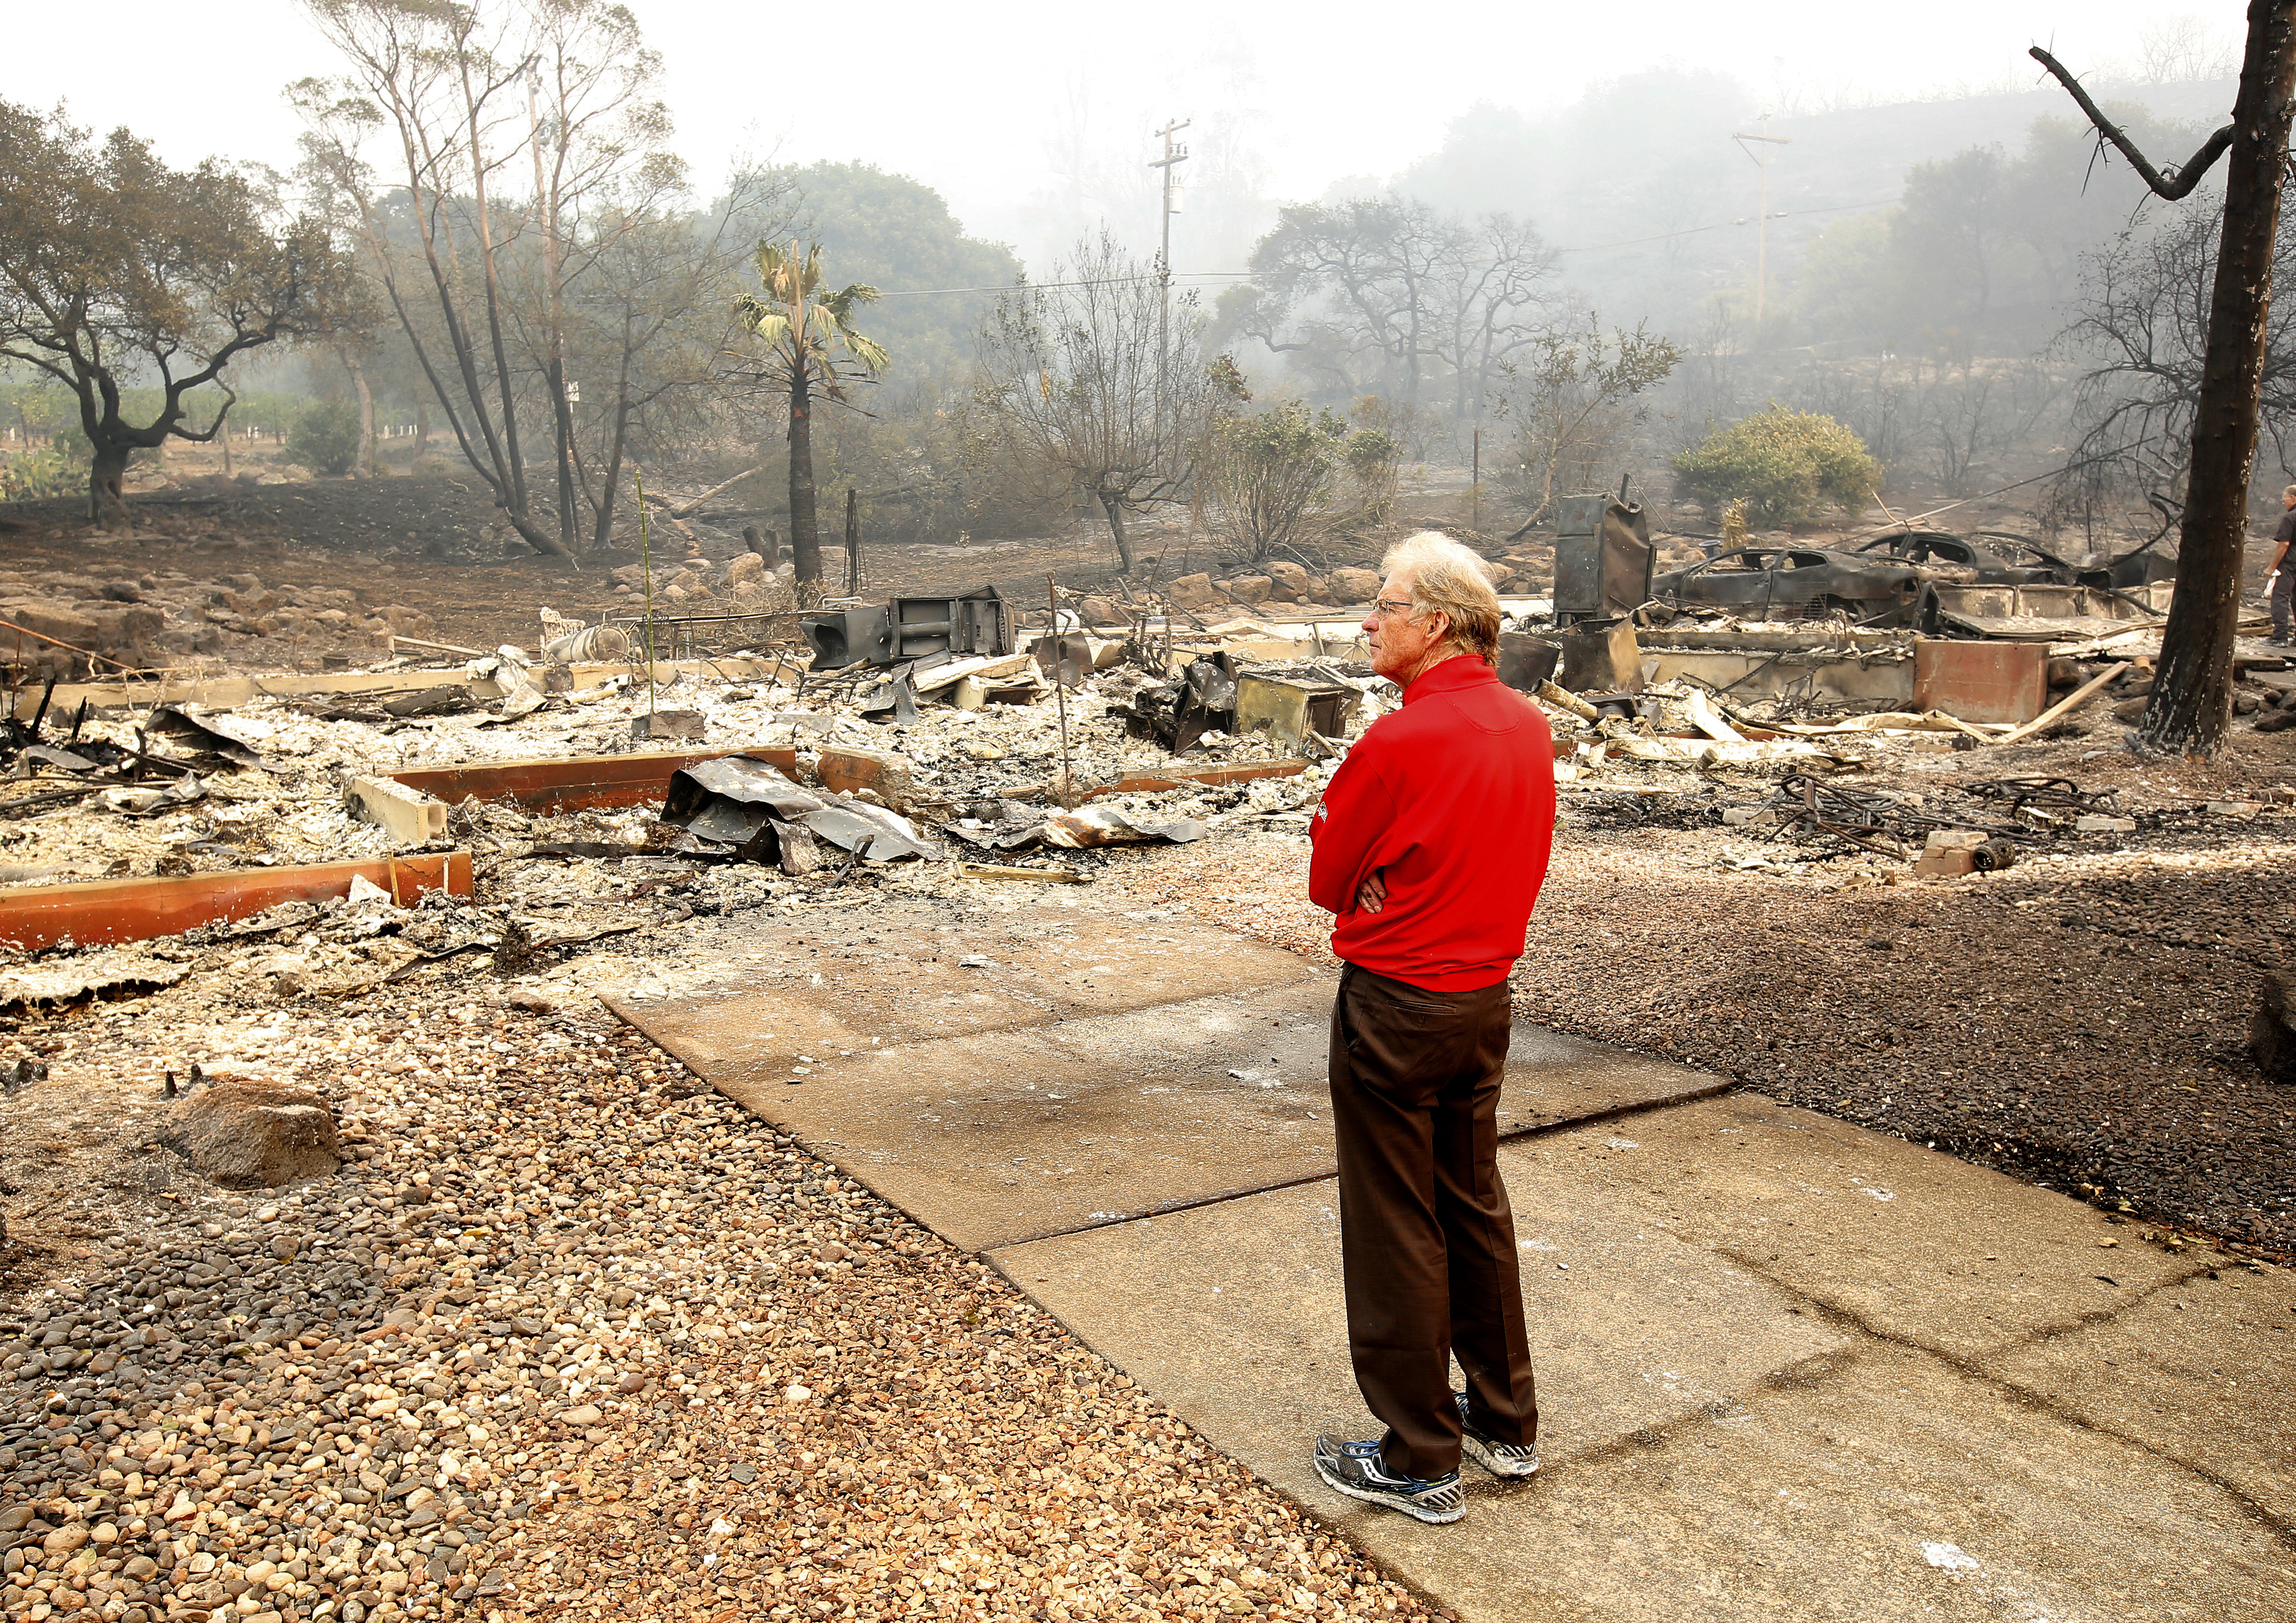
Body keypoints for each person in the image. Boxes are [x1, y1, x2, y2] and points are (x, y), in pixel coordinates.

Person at [1304, 531, 1556, 1525]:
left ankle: (1417, 1454)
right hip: (1482, 1001)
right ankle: (1505, 1418)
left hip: (1395, 1001)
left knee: (1393, 1220)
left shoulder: (1398, 740)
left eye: (1385, 601)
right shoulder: (1527, 727)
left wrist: (1372, 878)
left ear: (1437, 622)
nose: (1368, 618)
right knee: (1471, 1200)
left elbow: (1328, 877)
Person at [2269, 485, 2296, 646]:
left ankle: (2280, 637)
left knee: (2280, 597)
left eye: (2284, 499)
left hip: (2290, 563)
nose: (2283, 503)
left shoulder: (2290, 518)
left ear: (2293, 498)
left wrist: (2272, 567)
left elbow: (2284, 544)